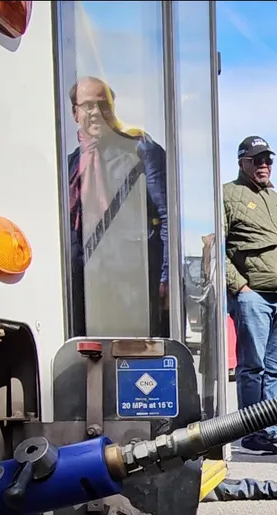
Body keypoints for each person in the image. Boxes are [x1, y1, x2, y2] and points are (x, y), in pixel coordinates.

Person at [66, 76, 169, 339]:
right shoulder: (69, 165)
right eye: (87, 105)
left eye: (103, 104)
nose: (95, 112)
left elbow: (167, 216)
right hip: (84, 286)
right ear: (75, 112)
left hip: (131, 284)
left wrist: (164, 278)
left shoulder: (141, 150)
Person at [223, 135, 277, 454]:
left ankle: (271, 426)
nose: (264, 165)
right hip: (253, 294)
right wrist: (239, 287)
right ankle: (251, 432)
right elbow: (216, 245)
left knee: (276, 368)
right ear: (242, 162)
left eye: (268, 159)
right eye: (257, 159)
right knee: (252, 366)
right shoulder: (229, 194)